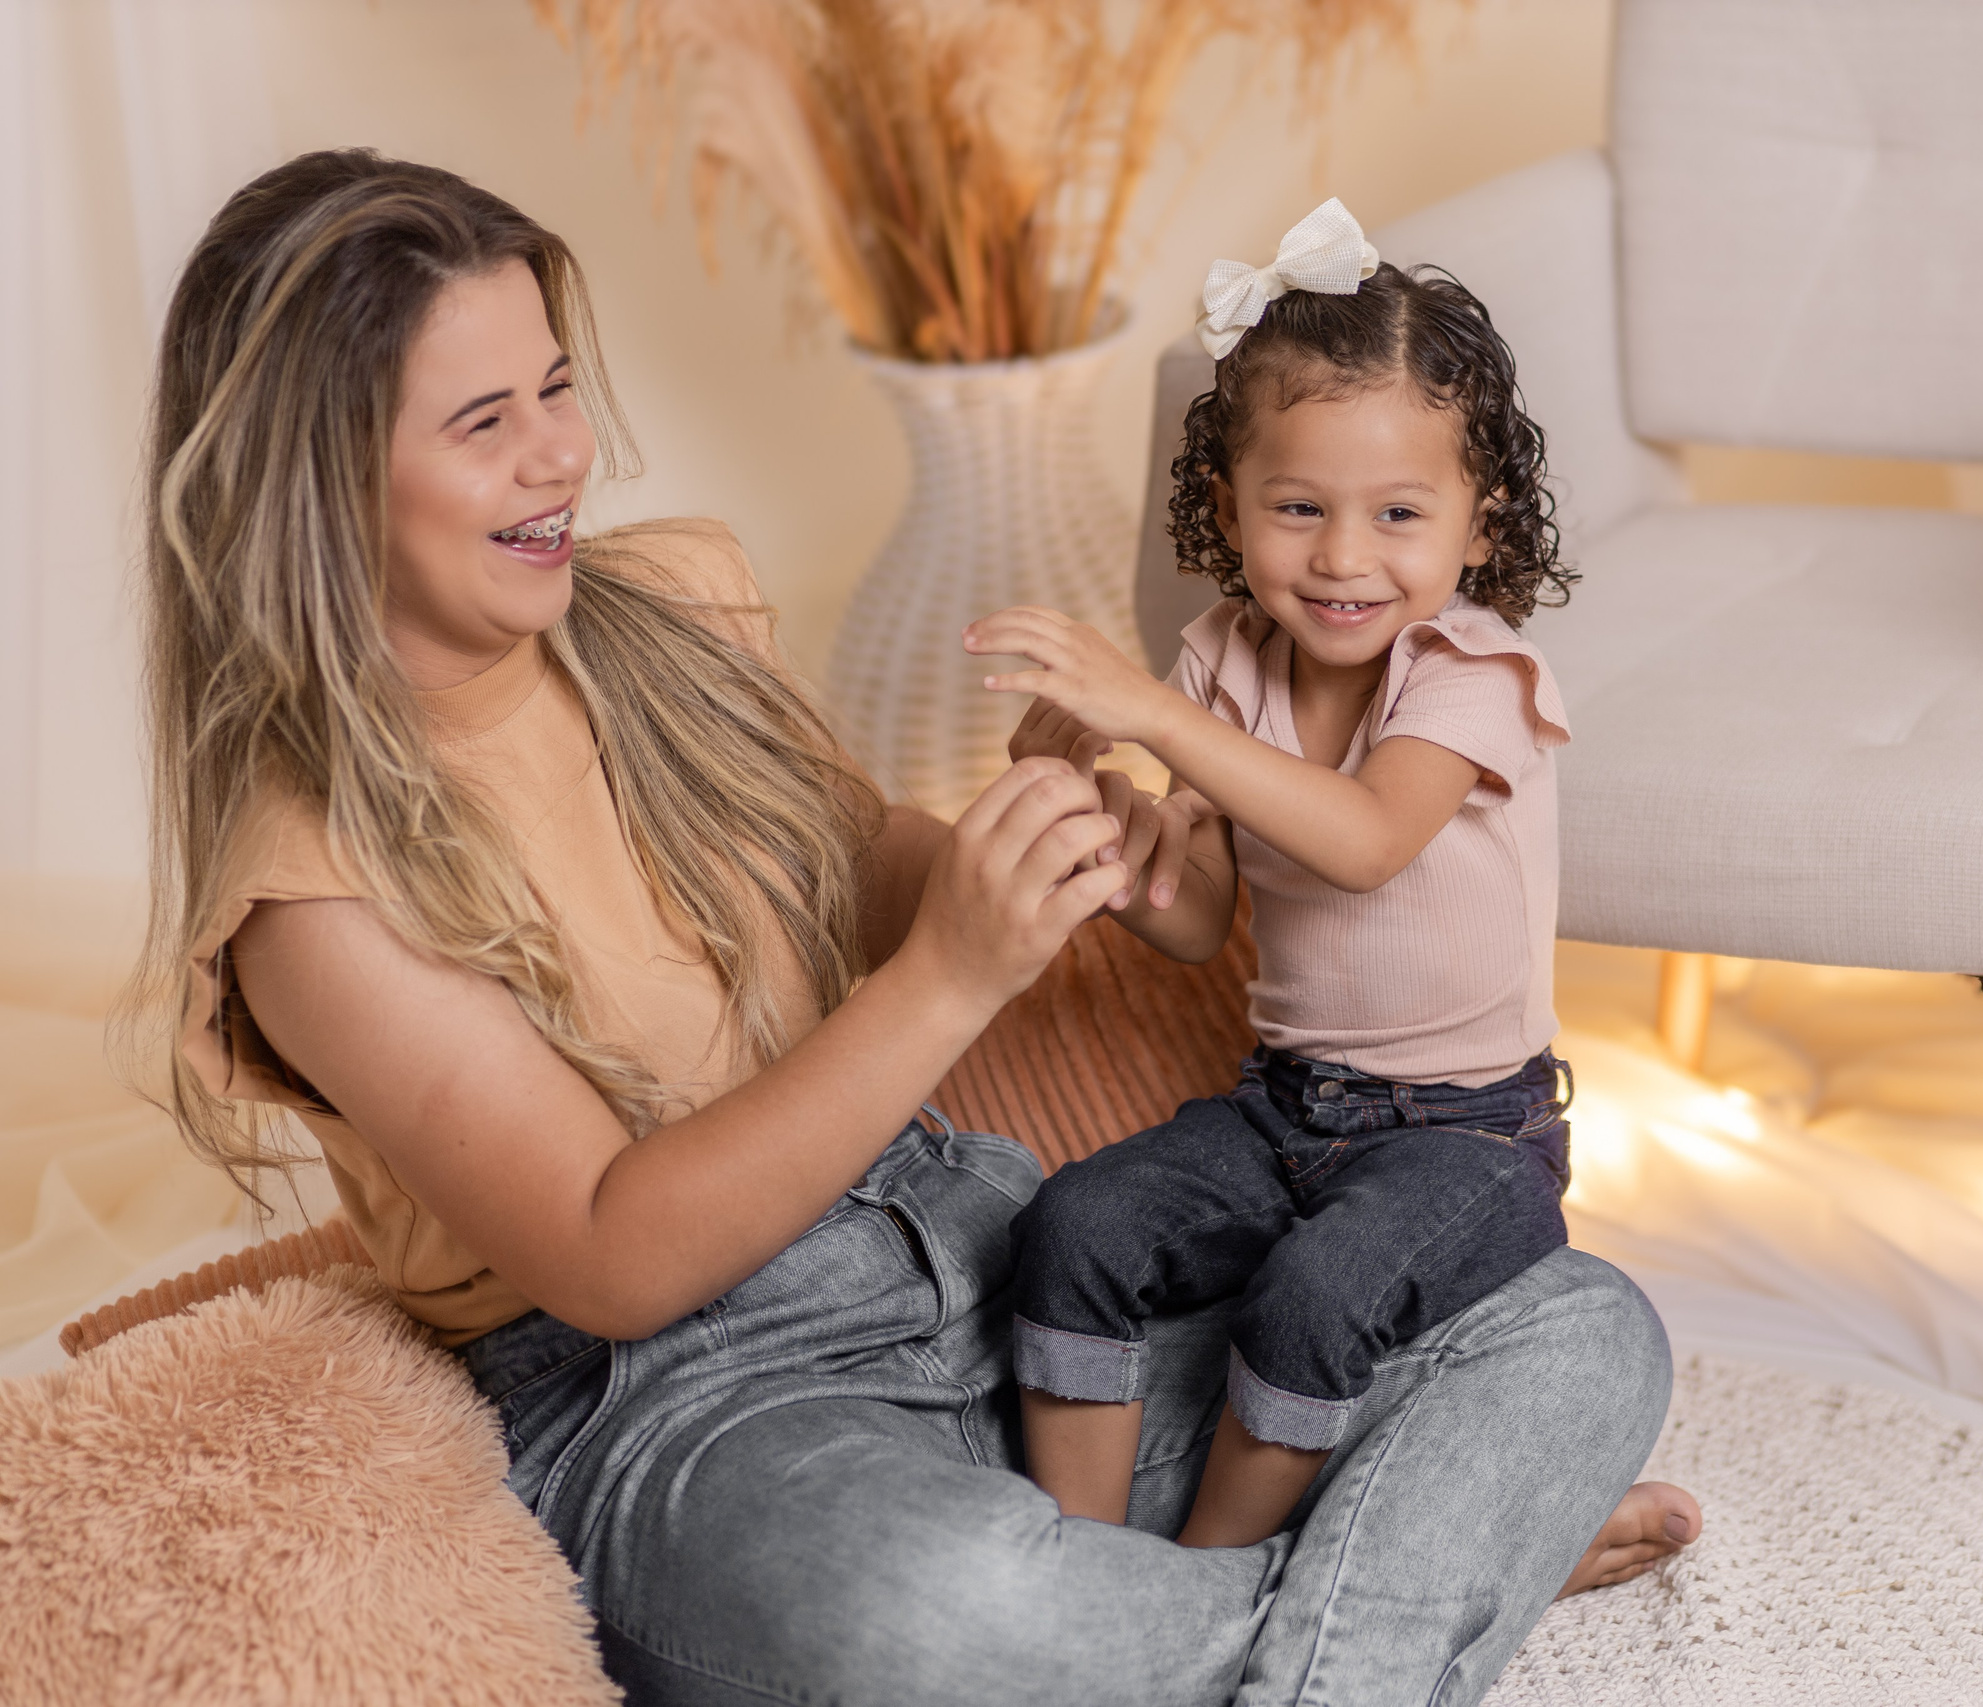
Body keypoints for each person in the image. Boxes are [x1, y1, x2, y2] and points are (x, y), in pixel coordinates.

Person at [121, 150, 1689, 1705]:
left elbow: (859, 860)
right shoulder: (311, 896)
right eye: (485, 423)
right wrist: (949, 977)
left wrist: (1061, 830)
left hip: (959, 1252)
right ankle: (1393, 1597)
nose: (559, 456)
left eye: (555, 388)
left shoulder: (670, 610)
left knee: (1578, 1325)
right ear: (321, 479)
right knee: (950, 1614)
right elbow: (611, 1258)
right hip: (695, 1408)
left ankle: (1277, 1610)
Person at [967, 200, 1692, 1556]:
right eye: (1297, 509)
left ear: (1478, 527)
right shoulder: (1223, 660)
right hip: (1283, 1110)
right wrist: (1094, 804)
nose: (1344, 557)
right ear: (1229, 508)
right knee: (1075, 1226)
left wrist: (1156, 717)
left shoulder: (1472, 672)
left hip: (1471, 1138)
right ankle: (1083, 1564)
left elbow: (1363, 840)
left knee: (1314, 1298)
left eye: (1399, 514)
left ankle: (1205, 1578)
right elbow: (1195, 925)